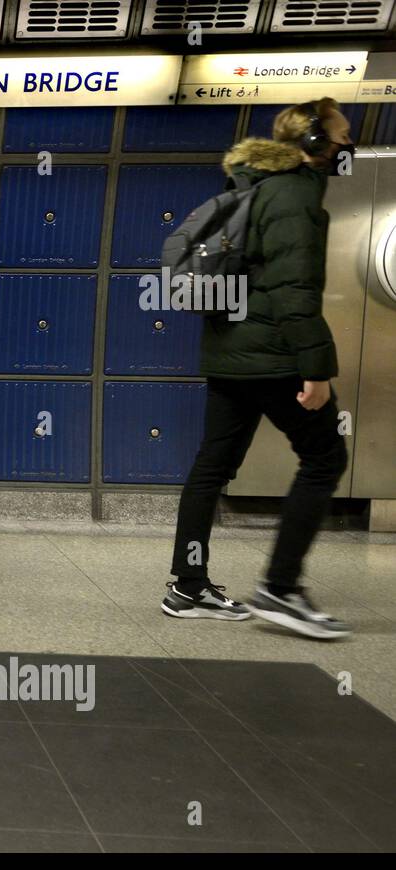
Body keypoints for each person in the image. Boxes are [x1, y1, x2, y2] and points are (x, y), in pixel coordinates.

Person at [162, 98, 354, 640]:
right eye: (340, 136)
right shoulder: (293, 194)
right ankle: (282, 588)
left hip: (229, 355)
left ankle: (188, 586)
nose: (346, 146)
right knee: (324, 458)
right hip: (273, 357)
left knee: (211, 467)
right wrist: (316, 369)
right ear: (312, 142)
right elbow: (295, 293)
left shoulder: (246, 185)